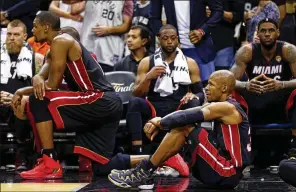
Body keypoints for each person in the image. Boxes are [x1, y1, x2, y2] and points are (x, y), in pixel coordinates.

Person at [12, 11, 187, 179]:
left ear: (46, 27)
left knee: (38, 100)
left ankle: (50, 162)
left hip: (98, 98)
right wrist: (32, 81)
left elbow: (51, 85)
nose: (32, 31)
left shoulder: (61, 41)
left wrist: (26, 89)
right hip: (105, 104)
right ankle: (165, 157)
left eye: (35, 27)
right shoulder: (52, 50)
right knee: (102, 166)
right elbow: (42, 77)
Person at [108, 70, 251, 190]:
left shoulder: (227, 107)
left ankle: (144, 172)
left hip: (227, 172)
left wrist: (160, 123)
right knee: (185, 126)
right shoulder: (222, 106)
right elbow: (186, 113)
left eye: (211, 85)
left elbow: (186, 116)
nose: (206, 88)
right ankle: (155, 168)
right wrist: (160, 122)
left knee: (184, 127)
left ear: (224, 88)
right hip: (224, 170)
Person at [230, 18, 296, 158]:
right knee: (230, 95)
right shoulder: (247, 51)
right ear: (258, 34)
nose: (267, 34)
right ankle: (234, 150)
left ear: (278, 32)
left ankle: (294, 148)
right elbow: (228, 81)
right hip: (254, 103)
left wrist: (281, 84)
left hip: (281, 103)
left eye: (271, 30)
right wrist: (246, 85)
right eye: (263, 31)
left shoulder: (288, 50)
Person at [126, 24, 203, 154]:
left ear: (177, 39)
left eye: (173, 38)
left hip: (178, 105)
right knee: (134, 103)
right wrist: (148, 77)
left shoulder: (190, 63)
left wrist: (194, 96)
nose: (169, 41)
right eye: (165, 38)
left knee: (193, 103)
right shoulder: (147, 62)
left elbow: (200, 93)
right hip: (154, 105)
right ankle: (137, 151)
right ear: (159, 40)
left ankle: (191, 150)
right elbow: (136, 94)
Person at [150, 0, 223, 84]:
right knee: (176, 91)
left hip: (201, 49)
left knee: (207, 88)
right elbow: (153, 18)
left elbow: (217, 11)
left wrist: (202, 31)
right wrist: (167, 37)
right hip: (174, 51)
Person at [0, 19, 36, 172]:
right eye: (9, 34)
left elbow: (37, 87)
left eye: (16, 34)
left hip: (19, 102)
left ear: (25, 36)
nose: (12, 38)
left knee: (22, 107)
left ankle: (22, 156)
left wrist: (14, 96)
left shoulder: (35, 58)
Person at [70, 0, 133, 72]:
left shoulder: (126, 1)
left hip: (110, 50)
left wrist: (109, 30)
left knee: (106, 78)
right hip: (87, 45)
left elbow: (126, 26)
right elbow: (74, 10)